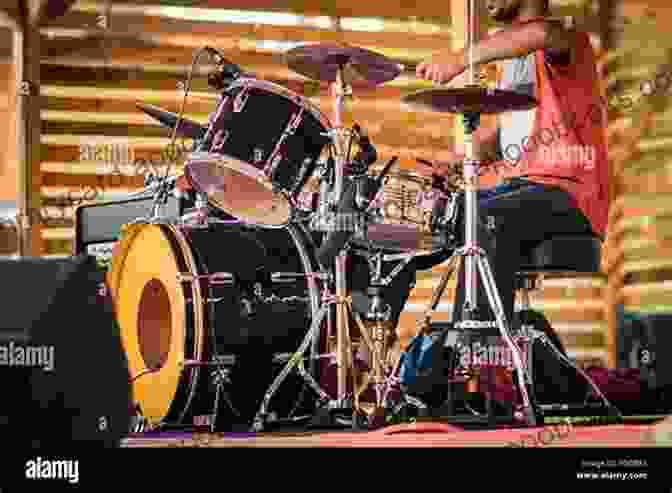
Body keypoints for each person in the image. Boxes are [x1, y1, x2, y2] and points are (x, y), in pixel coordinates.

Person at [414, 0, 609, 327]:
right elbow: (515, 135)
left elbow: (542, 32)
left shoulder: (567, 39)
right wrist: (457, 164)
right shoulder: (512, 61)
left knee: (484, 215)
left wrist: (461, 58)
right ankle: (384, 338)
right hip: (525, 188)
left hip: (570, 194)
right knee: (444, 209)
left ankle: (481, 348)